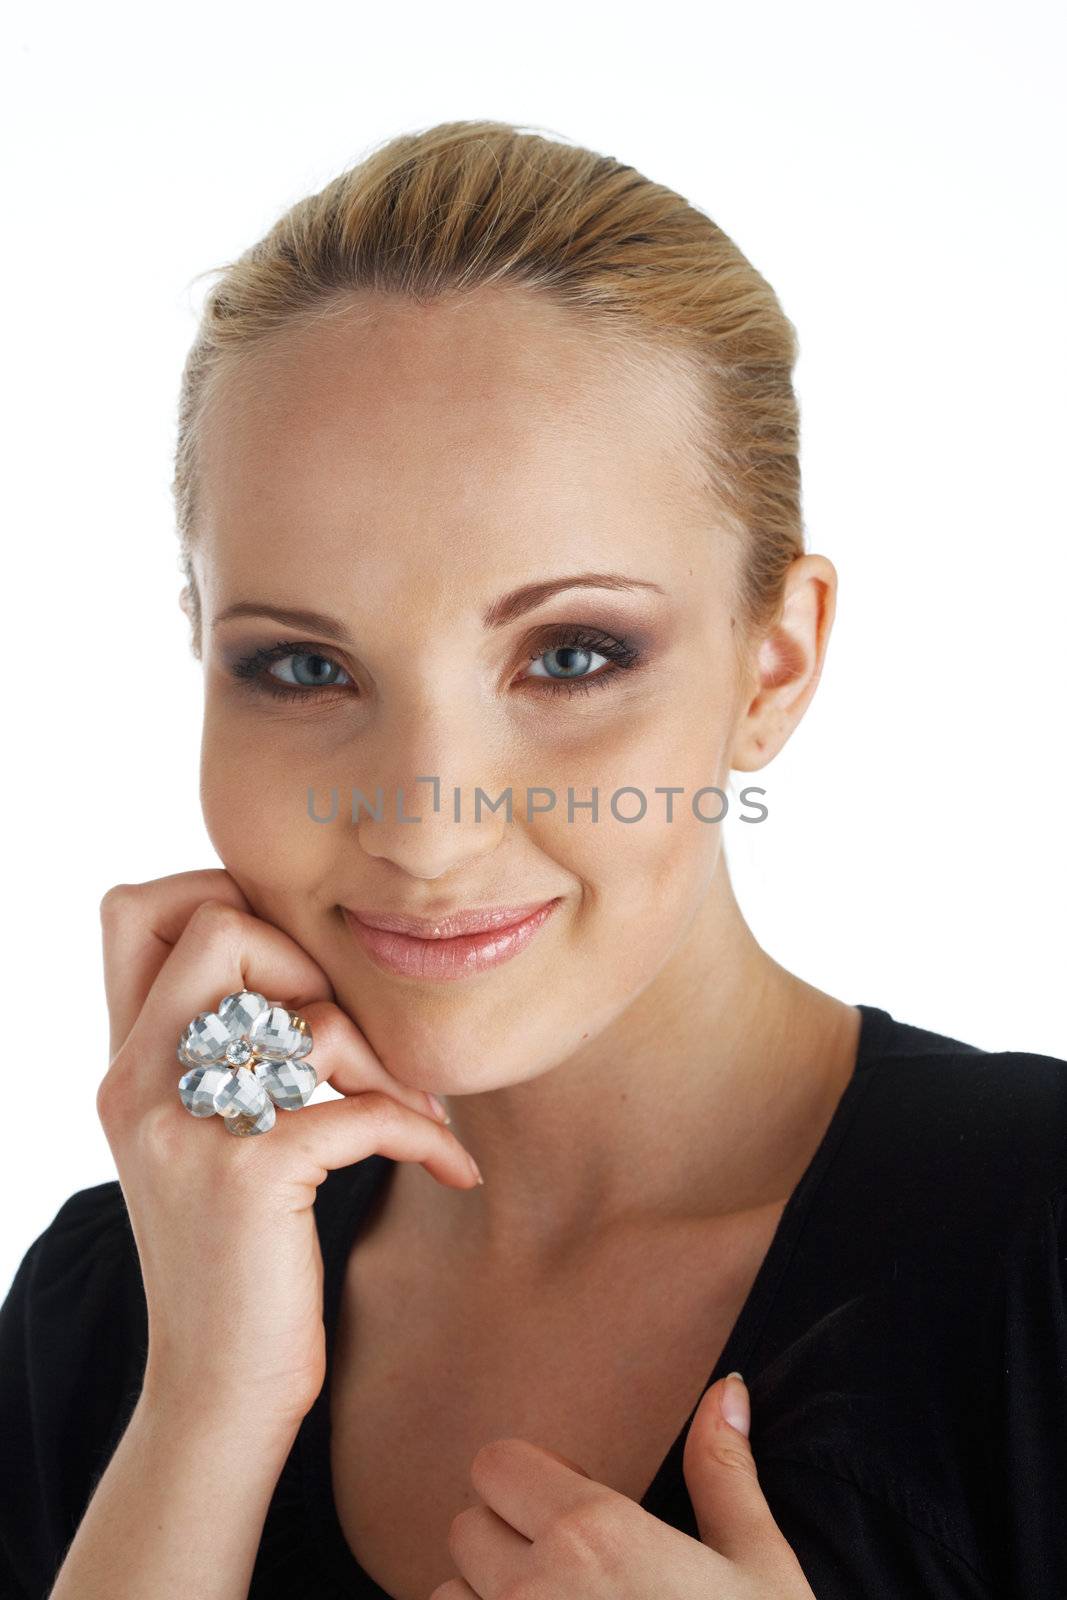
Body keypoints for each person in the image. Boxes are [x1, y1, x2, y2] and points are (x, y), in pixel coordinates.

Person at [1, 118, 1064, 1600]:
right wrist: (200, 1416)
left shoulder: (1041, 1255)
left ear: (775, 664)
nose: (426, 826)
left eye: (571, 654)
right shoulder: (109, 1304)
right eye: (304, 669)